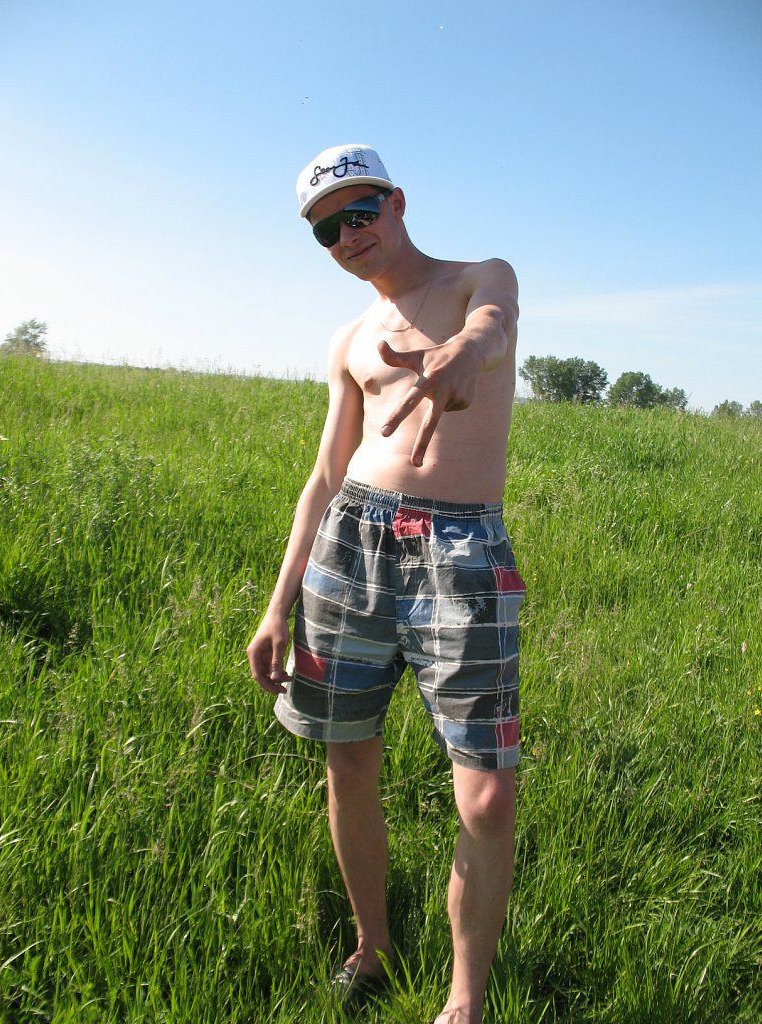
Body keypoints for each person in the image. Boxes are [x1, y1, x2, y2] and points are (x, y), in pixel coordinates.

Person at [246, 143, 525, 1024]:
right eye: (326, 231)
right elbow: (325, 476)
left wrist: (462, 353)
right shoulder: (350, 339)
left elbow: (495, 325)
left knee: (488, 792)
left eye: (359, 214)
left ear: (397, 203)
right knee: (348, 759)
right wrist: (277, 605)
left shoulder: (479, 278)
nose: (347, 236)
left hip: (462, 553)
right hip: (351, 546)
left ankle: (464, 1000)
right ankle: (373, 949)